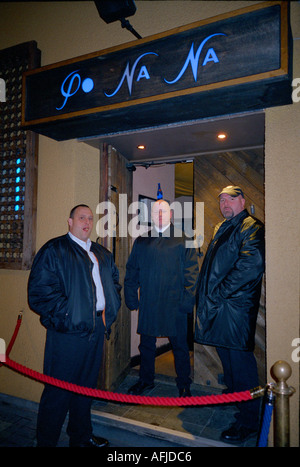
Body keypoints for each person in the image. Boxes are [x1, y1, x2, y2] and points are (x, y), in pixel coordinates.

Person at [28, 204, 121, 447]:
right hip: (67, 334)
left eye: (90, 218)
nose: (87, 222)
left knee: (86, 389)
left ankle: (80, 436)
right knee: (58, 392)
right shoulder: (55, 250)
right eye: (82, 217)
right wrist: (68, 316)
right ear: (70, 221)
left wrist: (110, 306)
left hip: (97, 330)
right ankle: (46, 442)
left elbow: (114, 283)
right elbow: (40, 293)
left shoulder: (102, 253)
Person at [195, 186, 265, 444]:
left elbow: (251, 265)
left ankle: (248, 421)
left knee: (241, 364)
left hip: (235, 309)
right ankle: (236, 397)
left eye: (230, 199)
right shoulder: (225, 226)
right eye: (222, 199)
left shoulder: (251, 226)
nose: (225, 203)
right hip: (222, 308)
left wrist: (218, 292)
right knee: (228, 357)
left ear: (243, 201)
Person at [124, 199, 199, 397]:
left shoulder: (185, 239)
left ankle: (184, 383)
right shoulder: (141, 241)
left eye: (163, 211)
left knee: (180, 347)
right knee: (146, 345)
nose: (159, 214)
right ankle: (146, 380)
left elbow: (192, 273)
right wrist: (131, 298)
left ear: (171, 215)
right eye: (156, 211)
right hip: (149, 302)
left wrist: (186, 303)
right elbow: (132, 271)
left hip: (175, 305)